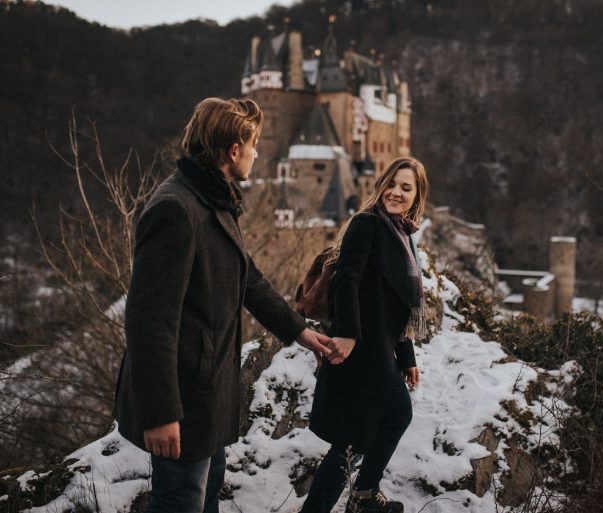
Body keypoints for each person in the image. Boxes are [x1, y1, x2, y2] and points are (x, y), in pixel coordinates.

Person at [113, 97, 333, 513]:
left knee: (206, 496)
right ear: (233, 150)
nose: (256, 153)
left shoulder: (215, 199)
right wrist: (160, 413)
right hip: (182, 401)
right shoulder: (176, 209)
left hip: (207, 394)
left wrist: (300, 331)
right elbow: (148, 323)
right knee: (181, 503)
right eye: (253, 144)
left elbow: (245, 276)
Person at [301, 157, 429, 513]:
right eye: (392, 184)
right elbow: (348, 280)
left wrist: (407, 357)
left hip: (380, 350)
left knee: (378, 424)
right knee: (353, 439)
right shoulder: (367, 224)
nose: (396, 192)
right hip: (360, 349)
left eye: (406, 188)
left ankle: (363, 494)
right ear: (381, 184)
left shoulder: (403, 235)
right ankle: (358, 497)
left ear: (417, 196)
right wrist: (348, 335)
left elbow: (399, 303)